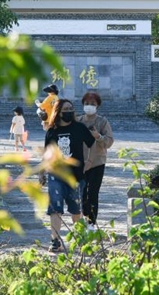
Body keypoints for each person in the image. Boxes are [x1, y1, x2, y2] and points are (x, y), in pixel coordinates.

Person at [43, 99, 95, 252]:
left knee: (76, 209)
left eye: (71, 109)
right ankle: (55, 240)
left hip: (76, 176)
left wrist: (90, 161)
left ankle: (79, 239)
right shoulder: (52, 131)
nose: (68, 112)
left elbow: (93, 144)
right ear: (58, 112)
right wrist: (41, 172)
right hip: (55, 174)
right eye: (65, 109)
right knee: (55, 208)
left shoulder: (79, 128)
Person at [77, 92, 114, 230]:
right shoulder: (78, 121)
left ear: (97, 106)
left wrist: (98, 136)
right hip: (81, 162)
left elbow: (109, 141)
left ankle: (91, 223)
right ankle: (83, 219)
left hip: (97, 162)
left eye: (92, 104)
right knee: (82, 193)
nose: (89, 106)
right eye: (87, 104)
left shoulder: (102, 122)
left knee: (93, 192)